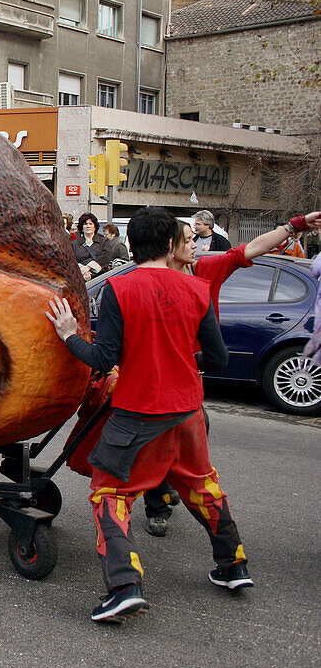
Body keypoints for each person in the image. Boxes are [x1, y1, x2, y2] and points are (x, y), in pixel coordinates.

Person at [46, 206, 250, 624]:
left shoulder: (120, 289)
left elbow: (104, 359)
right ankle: (233, 566)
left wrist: (69, 336)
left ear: (132, 244)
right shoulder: (196, 288)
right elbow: (217, 357)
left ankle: (124, 587)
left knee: (111, 494)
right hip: (188, 410)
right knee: (202, 486)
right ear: (172, 244)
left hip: (137, 413)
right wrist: (179, 362)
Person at [141, 210, 321, 535]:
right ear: (170, 246)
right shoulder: (146, 278)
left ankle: (169, 485)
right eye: (189, 240)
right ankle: (157, 502)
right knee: (154, 438)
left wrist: (293, 226)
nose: (196, 245)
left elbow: (250, 249)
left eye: (197, 239)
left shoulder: (206, 269)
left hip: (190, 377)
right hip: (153, 377)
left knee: (189, 434)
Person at [72, 212, 110, 280]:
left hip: (100, 279)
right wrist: (82, 270)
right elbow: (70, 260)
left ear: (95, 226)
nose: (88, 226)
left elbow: (105, 257)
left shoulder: (104, 242)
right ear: (82, 227)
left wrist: (88, 268)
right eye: (85, 224)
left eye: (90, 224)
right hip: (80, 278)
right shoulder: (74, 244)